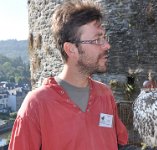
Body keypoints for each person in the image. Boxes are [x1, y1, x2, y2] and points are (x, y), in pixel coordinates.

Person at [8, 0, 129, 150]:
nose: (107, 45)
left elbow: (120, 143)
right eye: (97, 39)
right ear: (71, 49)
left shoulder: (105, 95)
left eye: (104, 37)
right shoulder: (36, 105)